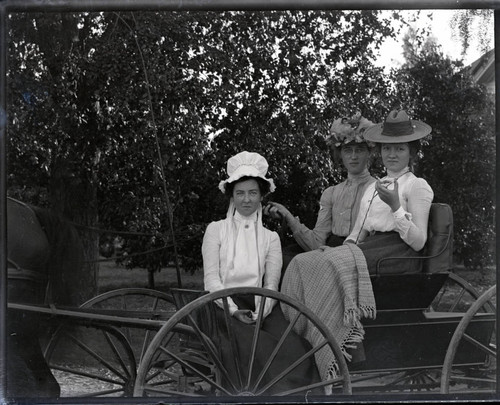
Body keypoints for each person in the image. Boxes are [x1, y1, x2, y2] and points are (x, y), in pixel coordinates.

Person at [280, 109, 434, 386]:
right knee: (307, 261)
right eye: (387, 148)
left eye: (400, 148)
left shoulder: (417, 186)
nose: (392, 155)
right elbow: (357, 233)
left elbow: (419, 241)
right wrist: (337, 249)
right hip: (369, 250)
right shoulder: (375, 188)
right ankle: (312, 338)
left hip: (398, 254)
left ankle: (341, 348)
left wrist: (396, 207)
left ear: (412, 152)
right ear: (381, 151)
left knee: (322, 264)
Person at [202, 151, 320, 394]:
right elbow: (211, 279)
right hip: (221, 305)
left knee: (296, 350)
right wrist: (234, 311)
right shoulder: (215, 230)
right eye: (240, 193)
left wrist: (259, 313)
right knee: (257, 349)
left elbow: (272, 283)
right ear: (232, 197)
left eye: (253, 193)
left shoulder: (270, 238)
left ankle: (293, 397)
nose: (246, 200)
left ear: (261, 196)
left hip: (262, 306)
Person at [264, 111, 376, 274]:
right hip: (330, 255)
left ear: (369, 153)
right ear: (340, 154)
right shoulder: (331, 193)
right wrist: (288, 216)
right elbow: (316, 243)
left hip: (364, 260)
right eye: (347, 150)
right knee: (280, 259)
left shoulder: (379, 189)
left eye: (359, 150)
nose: (353, 157)